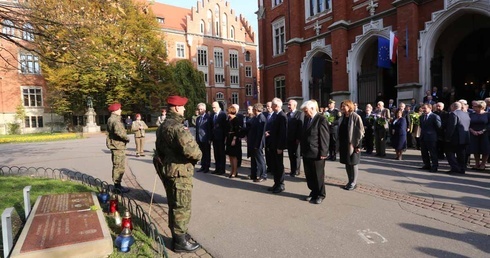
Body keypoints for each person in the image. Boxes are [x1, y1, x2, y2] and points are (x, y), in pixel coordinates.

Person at [154, 95, 202, 253]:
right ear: (175, 108)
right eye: (182, 107)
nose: (184, 109)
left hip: (168, 170)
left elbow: (158, 150)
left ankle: (178, 235)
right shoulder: (178, 127)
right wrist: (198, 155)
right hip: (179, 172)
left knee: (174, 204)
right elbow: (193, 152)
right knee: (182, 206)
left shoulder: (163, 126)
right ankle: (180, 242)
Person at [300, 100, 329, 204]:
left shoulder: (321, 119)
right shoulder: (307, 119)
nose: (305, 113)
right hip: (307, 152)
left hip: (317, 153)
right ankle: (313, 192)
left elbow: (325, 137)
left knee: (318, 175)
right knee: (309, 175)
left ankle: (321, 194)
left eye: (306, 111)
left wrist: (323, 153)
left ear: (312, 109)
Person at [338, 100, 365, 191]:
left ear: (349, 107)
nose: (342, 108)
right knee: (347, 163)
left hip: (353, 144)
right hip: (344, 144)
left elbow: (360, 132)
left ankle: (353, 182)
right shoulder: (342, 117)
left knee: (353, 163)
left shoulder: (356, 117)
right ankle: (349, 181)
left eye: (344, 106)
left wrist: (358, 146)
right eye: (341, 106)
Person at [106, 103, 130, 193]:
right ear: (115, 111)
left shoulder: (111, 119)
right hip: (117, 146)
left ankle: (117, 184)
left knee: (118, 165)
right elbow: (119, 132)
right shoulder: (115, 120)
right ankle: (117, 186)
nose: (121, 110)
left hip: (116, 145)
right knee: (119, 166)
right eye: (119, 109)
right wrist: (127, 138)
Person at [266, 98, 288, 194]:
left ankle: (281, 184)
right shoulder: (276, 115)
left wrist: (280, 147)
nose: (271, 107)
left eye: (272, 105)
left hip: (278, 145)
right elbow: (275, 129)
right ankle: (276, 183)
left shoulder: (282, 116)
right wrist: (269, 132)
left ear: (276, 106)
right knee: (274, 165)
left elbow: (283, 133)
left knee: (279, 166)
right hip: (272, 144)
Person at [445, 102, 470, 174]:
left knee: (449, 153)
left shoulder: (453, 114)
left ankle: (455, 168)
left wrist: (447, 137)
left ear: (453, 107)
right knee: (461, 154)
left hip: (455, 137)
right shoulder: (466, 114)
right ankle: (462, 168)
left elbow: (452, 127)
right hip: (465, 137)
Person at [419, 103, 441, 172]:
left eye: (425, 108)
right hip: (423, 137)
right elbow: (422, 126)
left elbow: (439, 127)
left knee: (433, 153)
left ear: (430, 108)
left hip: (431, 138)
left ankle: (434, 166)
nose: (423, 110)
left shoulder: (435, 116)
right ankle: (427, 164)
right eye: (423, 108)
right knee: (424, 152)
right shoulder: (422, 117)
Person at [248, 103, 267, 182]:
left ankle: (263, 175)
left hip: (258, 142)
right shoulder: (257, 117)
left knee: (260, 159)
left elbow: (260, 133)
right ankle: (254, 174)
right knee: (254, 159)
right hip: (253, 141)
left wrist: (257, 144)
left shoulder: (261, 118)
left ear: (256, 110)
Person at [468, 100, 489, 170]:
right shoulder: (471, 114)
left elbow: (489, 125)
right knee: (475, 148)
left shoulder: (488, 114)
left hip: (485, 134)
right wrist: (472, 130)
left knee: (485, 149)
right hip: (473, 133)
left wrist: (482, 131)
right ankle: (477, 164)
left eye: (475, 106)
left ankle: (483, 164)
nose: (473, 107)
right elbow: (468, 124)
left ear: (481, 107)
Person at [286, 99, 304, 177]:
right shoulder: (287, 115)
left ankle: (297, 170)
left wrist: (298, 138)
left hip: (296, 139)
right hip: (289, 138)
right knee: (290, 155)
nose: (288, 106)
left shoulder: (300, 114)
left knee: (297, 155)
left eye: (290, 105)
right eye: (288, 104)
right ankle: (292, 170)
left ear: (295, 105)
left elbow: (301, 127)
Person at [225, 105, 242, 178]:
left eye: (228, 112)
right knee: (230, 155)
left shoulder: (236, 120)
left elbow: (237, 131)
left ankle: (235, 171)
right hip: (229, 138)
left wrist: (234, 139)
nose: (227, 114)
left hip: (234, 138)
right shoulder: (229, 119)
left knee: (234, 156)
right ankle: (232, 170)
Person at [211, 101, 227, 175]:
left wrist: (225, 137)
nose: (213, 109)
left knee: (221, 154)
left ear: (218, 107)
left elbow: (225, 127)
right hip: (214, 137)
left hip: (221, 138)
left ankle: (222, 169)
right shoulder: (213, 115)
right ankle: (217, 168)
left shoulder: (223, 115)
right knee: (216, 154)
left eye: (214, 107)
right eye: (212, 107)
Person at [195, 103, 212, 173]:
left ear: (204, 109)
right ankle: (202, 166)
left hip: (206, 138)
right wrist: (196, 138)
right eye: (199, 109)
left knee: (207, 153)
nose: (200, 110)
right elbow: (197, 129)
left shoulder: (208, 118)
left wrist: (210, 139)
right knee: (201, 153)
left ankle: (207, 167)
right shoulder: (198, 118)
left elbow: (210, 129)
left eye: (201, 109)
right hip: (199, 138)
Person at [264, 101, 274, 175]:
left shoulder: (275, 116)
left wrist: (269, 132)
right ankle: (269, 167)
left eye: (269, 106)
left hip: (272, 137)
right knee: (267, 153)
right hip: (265, 137)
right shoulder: (265, 115)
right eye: (267, 106)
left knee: (272, 153)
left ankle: (273, 168)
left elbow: (275, 127)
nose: (267, 108)